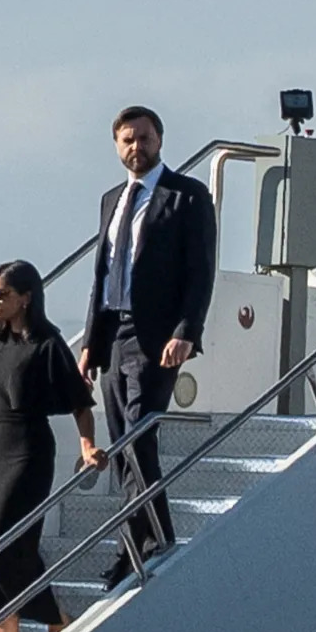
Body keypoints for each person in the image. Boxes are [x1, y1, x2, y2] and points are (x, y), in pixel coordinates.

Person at [78, 105, 217, 592]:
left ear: (160, 140)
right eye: (128, 140)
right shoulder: (112, 200)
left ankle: (146, 542)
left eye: (144, 138)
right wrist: (90, 344)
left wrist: (187, 331)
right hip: (113, 334)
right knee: (121, 444)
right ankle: (145, 538)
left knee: (139, 435)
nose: (136, 146)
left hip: (156, 337)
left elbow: (200, 271)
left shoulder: (187, 196)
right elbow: (102, 274)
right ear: (117, 146)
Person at [0, 260, 106, 632]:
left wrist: (87, 445)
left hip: (28, 451)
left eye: (2, 294)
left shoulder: (48, 344)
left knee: (2, 547)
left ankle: (56, 617)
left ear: (26, 298)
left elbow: (80, 403)